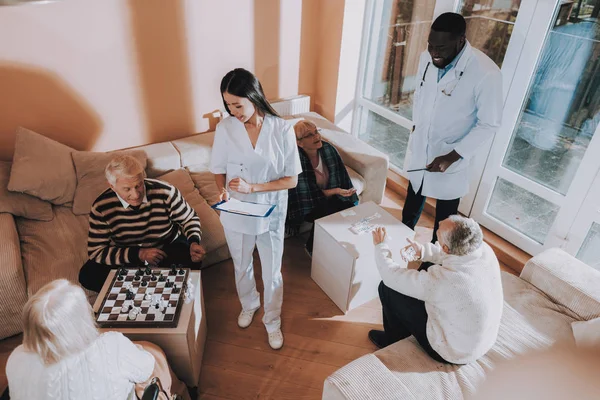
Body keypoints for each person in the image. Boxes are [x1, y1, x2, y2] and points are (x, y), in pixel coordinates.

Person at [209, 68, 302, 350]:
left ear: (254, 96)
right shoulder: (225, 128)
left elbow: (291, 180)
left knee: (272, 271)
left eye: (238, 104)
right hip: (236, 209)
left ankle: (272, 320)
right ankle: (249, 303)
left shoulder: (281, 129)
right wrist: (222, 189)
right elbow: (218, 168)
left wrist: (254, 188)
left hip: (270, 210)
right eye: (228, 105)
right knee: (241, 263)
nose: (233, 111)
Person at [403, 12, 503, 243]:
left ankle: (435, 260)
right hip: (422, 147)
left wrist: (453, 155)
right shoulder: (426, 58)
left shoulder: (486, 73)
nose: (435, 53)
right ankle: (402, 238)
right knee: (411, 203)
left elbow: (489, 124)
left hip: (452, 155)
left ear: (460, 41)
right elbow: (421, 94)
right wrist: (418, 127)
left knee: (445, 220)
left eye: (442, 48)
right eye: (431, 46)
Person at [6, 279, 190, 400]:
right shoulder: (110, 346)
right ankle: (180, 393)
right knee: (152, 351)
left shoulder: (16, 357)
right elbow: (147, 367)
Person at [369, 215, 503, 364]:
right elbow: (451, 256)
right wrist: (423, 251)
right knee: (427, 267)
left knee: (387, 289)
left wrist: (381, 246)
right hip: (481, 340)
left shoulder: (446, 281)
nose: (438, 222)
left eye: (439, 231)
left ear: (445, 247)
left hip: (454, 352)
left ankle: (392, 340)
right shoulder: (484, 250)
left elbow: (390, 276)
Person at [79, 155, 206, 293]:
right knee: (88, 275)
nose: (136, 195)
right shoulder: (101, 207)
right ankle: (143, 289)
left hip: (167, 246)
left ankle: (146, 287)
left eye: (139, 185)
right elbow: (96, 251)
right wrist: (138, 254)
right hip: (129, 254)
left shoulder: (165, 192)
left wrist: (194, 241)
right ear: (112, 186)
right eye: (127, 189)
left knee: (192, 260)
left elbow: (189, 218)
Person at [286, 120, 358, 255]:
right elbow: (306, 196)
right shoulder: (296, 160)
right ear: (299, 142)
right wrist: (337, 191)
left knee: (347, 207)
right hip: (307, 205)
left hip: (329, 198)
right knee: (329, 211)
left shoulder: (328, 149)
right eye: (309, 135)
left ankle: (337, 243)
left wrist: (344, 191)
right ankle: (311, 247)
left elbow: (341, 174)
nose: (317, 137)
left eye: (316, 132)